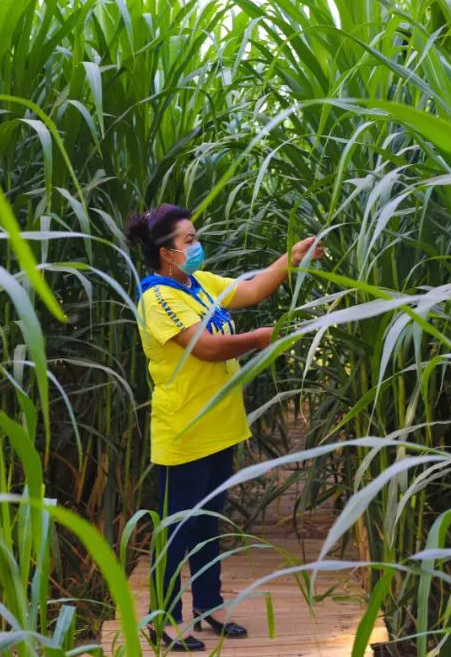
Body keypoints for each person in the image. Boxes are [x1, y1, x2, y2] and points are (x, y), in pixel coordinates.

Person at [124, 203, 323, 651]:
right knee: (178, 528)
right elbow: (208, 348)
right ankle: (163, 619)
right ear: (165, 252)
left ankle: (208, 608)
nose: (197, 246)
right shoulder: (157, 297)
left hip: (220, 426)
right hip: (185, 431)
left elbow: (251, 291)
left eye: (196, 237)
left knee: (209, 523)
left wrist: (291, 259)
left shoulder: (198, 285)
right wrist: (263, 338)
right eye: (188, 241)